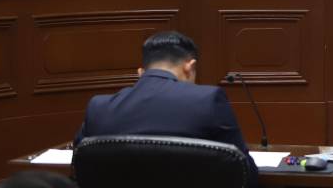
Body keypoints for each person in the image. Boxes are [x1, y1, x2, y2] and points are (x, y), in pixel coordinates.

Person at [75, 31, 257, 177]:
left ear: (141, 73)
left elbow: (79, 167)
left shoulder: (99, 106)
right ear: (190, 67)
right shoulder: (208, 99)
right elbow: (244, 172)